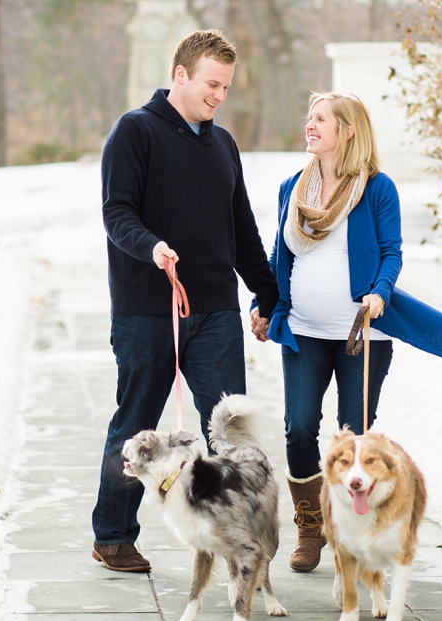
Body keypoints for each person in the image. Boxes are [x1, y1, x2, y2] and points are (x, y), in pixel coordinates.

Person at [92, 29, 279, 573]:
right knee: (136, 421)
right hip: (145, 309)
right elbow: (116, 212)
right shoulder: (135, 132)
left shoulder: (223, 145)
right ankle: (114, 536)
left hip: (217, 308)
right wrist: (151, 247)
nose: (219, 95)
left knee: (228, 426)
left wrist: (266, 292)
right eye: (211, 83)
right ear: (180, 75)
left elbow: (240, 228)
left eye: (226, 86)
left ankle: (237, 533)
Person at [250, 92, 442, 572]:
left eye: (320, 119)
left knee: (354, 436)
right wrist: (263, 304)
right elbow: (278, 258)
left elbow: (392, 251)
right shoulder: (292, 188)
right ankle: (311, 527)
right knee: (299, 427)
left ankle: (352, 529)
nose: (310, 125)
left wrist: (381, 292)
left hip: (360, 334)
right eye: (308, 117)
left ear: (347, 130)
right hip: (302, 329)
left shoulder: (376, 188)